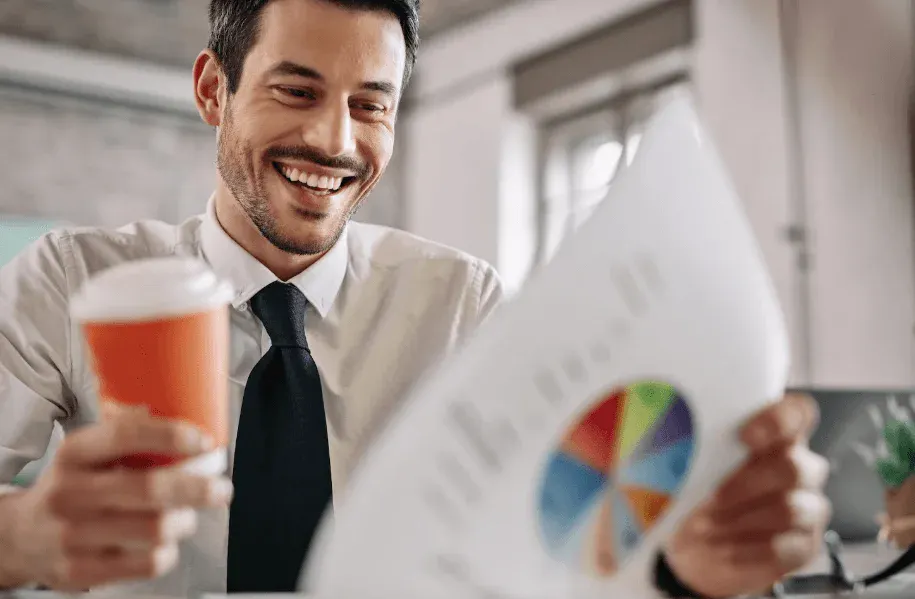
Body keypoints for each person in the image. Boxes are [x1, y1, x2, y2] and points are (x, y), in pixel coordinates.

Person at [0, 0, 831, 596]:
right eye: (296, 90)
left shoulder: (463, 304)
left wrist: (680, 569)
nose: (335, 140)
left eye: (372, 105)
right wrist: (24, 533)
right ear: (214, 90)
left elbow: (544, 542)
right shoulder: (70, 279)